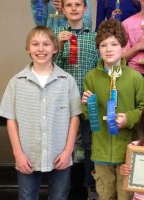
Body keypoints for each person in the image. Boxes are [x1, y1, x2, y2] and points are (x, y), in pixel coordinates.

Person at [0, 26, 81, 200]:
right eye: (35, 44)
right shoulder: (16, 82)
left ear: (55, 48)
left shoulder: (67, 81)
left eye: (46, 44)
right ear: (28, 48)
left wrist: (67, 151)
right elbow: (11, 120)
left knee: (59, 196)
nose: (41, 49)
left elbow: (75, 117)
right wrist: (18, 154)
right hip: (27, 155)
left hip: (60, 155)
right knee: (27, 196)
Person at [81, 19, 144, 200]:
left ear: (123, 46)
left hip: (127, 152)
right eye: (103, 45)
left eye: (114, 44)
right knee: (105, 194)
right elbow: (87, 115)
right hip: (101, 151)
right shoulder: (91, 78)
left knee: (125, 195)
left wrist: (128, 118)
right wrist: (87, 105)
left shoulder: (135, 77)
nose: (108, 49)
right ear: (98, 48)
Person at [53, 0, 99, 198]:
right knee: (64, 145)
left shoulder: (95, 38)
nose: (73, 8)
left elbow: (99, 68)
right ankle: (63, 186)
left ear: (85, 9)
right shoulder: (55, 37)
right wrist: (59, 45)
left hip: (87, 101)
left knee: (90, 144)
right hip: (64, 102)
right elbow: (49, 67)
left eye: (78, 5)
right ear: (62, 9)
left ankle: (91, 184)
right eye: (69, 5)